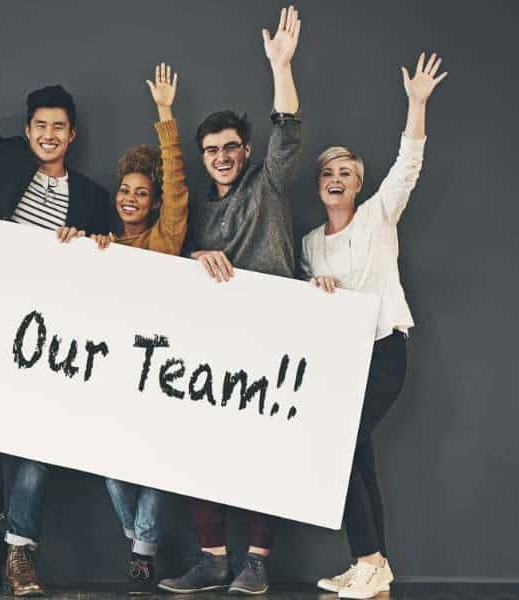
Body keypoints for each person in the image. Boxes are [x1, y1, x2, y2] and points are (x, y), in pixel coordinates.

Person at [0, 0, 111, 595]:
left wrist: (92, 241)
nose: (48, 135)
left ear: (71, 135)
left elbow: (115, 257)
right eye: (40, 126)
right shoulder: (3, 157)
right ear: (29, 129)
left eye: (59, 127)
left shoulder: (89, 194)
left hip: (49, 335)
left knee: (40, 441)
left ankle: (19, 554)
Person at [158, 6, 302, 596]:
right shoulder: (198, 209)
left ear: (245, 151)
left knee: (265, 448)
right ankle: (214, 558)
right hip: (213, 343)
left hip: (273, 335)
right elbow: (176, 264)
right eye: (212, 148)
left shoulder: (267, 182)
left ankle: (257, 562)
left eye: (231, 146)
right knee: (200, 445)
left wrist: (281, 67)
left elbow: (287, 129)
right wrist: (194, 258)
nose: (221, 155)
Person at [303, 52, 446, 600]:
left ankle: (367, 558)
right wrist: (316, 292)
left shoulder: (378, 215)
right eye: (328, 174)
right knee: (356, 455)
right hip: (341, 364)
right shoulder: (310, 245)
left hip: (385, 350)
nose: (336, 180)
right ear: (319, 186)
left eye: (345, 174)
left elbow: (408, 163)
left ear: (359, 185)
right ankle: (373, 567)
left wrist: (416, 104)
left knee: (338, 449)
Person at [94, 62, 189, 595]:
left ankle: (141, 555)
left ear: (152, 203)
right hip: (112, 374)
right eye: (125, 190)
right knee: (110, 465)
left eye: (141, 192)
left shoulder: (164, 241)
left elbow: (176, 191)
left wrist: (165, 116)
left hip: (159, 369)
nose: (131, 197)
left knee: (154, 464)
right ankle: (138, 538)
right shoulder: (102, 246)